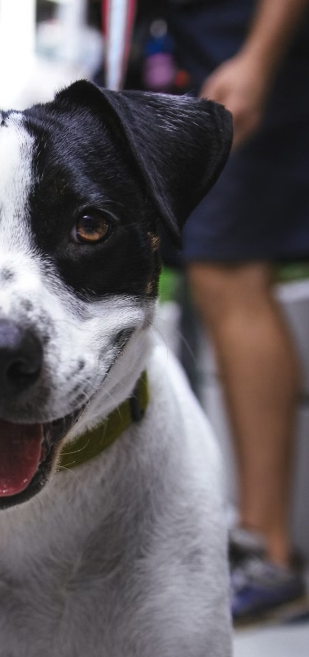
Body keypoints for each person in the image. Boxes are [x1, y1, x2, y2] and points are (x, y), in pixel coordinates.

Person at [168, 0, 309, 623]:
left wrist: (258, 56)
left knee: (231, 269)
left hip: (244, 46)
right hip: (197, 47)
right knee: (212, 270)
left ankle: (270, 553)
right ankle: (249, 540)